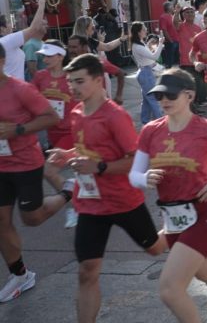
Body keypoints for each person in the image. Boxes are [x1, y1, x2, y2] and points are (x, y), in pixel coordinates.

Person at [129, 69, 207, 322]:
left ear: (189, 95)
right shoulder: (151, 130)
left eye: (170, 94)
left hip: (203, 215)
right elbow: (134, 175)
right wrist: (145, 178)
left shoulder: (206, 129)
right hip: (172, 219)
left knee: (170, 289)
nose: (164, 100)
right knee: (206, 273)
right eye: (159, 95)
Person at [50, 54, 166, 321]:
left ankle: (178, 227)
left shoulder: (115, 116)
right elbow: (86, 150)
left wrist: (99, 167)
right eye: (70, 82)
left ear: (98, 80)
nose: (73, 88)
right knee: (87, 270)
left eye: (79, 81)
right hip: (90, 203)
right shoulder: (77, 112)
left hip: (123, 201)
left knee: (155, 249)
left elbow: (135, 160)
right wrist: (67, 155)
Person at [0, 42, 72, 303]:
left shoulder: (21, 89)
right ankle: (20, 275)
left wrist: (17, 130)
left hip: (25, 163)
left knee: (32, 218)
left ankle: (67, 192)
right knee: (1, 221)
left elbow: (51, 117)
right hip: (0, 166)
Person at [31, 40, 81, 229]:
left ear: (60, 56)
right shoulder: (40, 77)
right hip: (51, 133)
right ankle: (88, 201)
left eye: (49, 55)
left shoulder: (73, 76)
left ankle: (74, 204)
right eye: (43, 55)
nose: (45, 59)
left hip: (72, 131)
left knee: (49, 171)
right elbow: (29, 99)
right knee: (82, 171)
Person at [1, 0, 47, 80]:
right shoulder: (7, 41)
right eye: (8, 23)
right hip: (13, 90)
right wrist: (41, 6)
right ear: (2, 29)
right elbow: (34, 28)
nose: (11, 25)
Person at [130, 22, 165, 124]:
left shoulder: (139, 43)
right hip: (145, 73)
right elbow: (154, 57)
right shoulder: (137, 45)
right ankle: (159, 121)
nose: (146, 30)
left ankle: (146, 121)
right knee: (153, 99)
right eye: (144, 29)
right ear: (139, 32)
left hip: (145, 72)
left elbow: (149, 59)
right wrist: (160, 44)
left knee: (147, 100)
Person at [159, 2, 181, 66]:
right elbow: (164, 30)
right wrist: (170, 40)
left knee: (177, 59)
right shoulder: (163, 17)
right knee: (170, 60)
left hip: (176, 40)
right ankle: (168, 73)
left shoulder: (171, 16)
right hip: (171, 41)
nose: (173, 7)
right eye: (172, 6)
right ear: (168, 8)